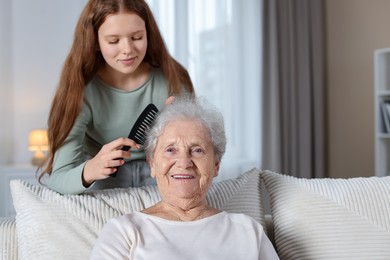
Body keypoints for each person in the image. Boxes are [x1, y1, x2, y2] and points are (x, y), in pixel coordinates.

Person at [89, 95, 280, 260]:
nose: (184, 162)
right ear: (153, 164)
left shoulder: (247, 231)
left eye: (197, 150)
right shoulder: (124, 232)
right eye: (171, 150)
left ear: (216, 165)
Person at [38, 0, 194, 195]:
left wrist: (184, 127)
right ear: (94, 42)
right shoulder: (81, 92)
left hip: (160, 174)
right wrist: (92, 168)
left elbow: (196, 152)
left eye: (137, 37)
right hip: (105, 180)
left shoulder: (173, 79)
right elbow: (58, 179)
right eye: (113, 41)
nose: (127, 49)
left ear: (148, 34)